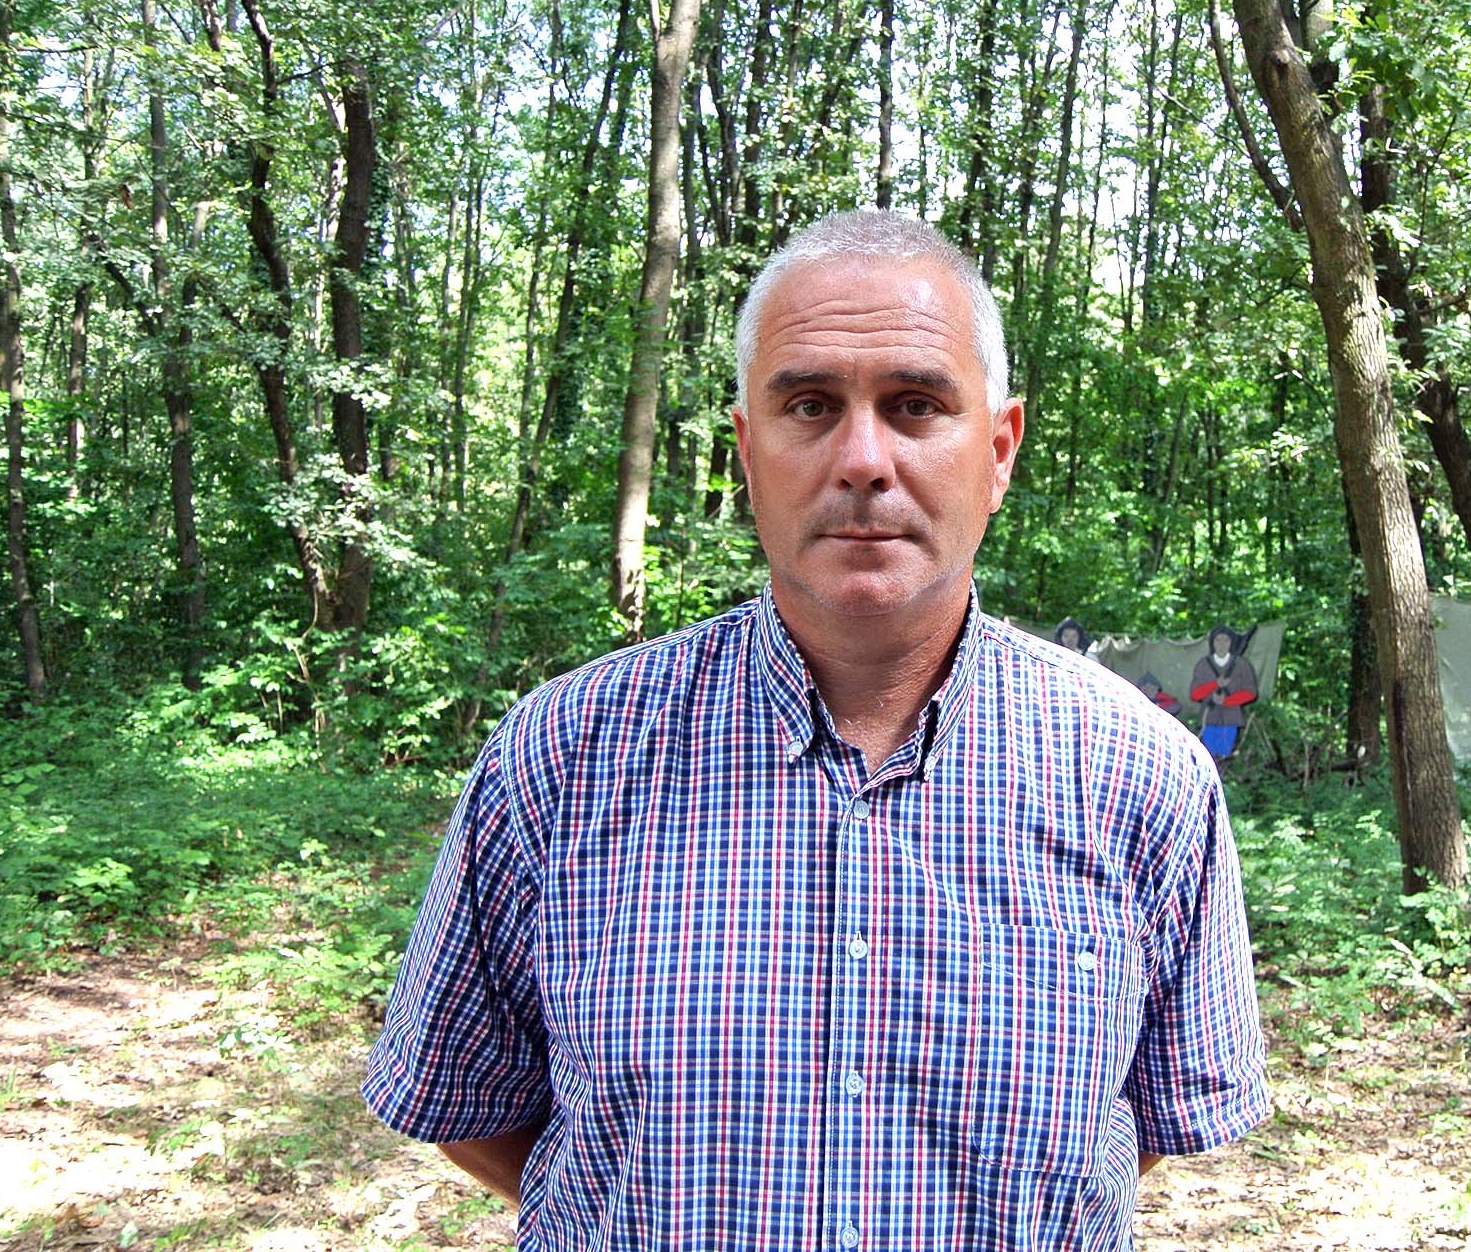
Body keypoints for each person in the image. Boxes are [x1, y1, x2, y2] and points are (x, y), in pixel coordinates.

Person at [362, 209, 1269, 1250]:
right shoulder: (563, 756)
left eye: (917, 404)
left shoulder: (1142, 774)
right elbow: (465, 1099)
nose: (864, 459)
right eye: (810, 405)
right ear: (749, 450)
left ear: (999, 451)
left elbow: (1123, 1136)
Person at [1190, 625, 1260, 760]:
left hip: (1231, 717)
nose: (1221, 644)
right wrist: (1215, 684)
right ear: (1212, 642)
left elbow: (1251, 692)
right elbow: (1195, 693)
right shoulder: (1203, 664)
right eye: (1217, 640)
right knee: (1208, 756)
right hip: (1209, 716)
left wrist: (1227, 701)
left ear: (1231, 643)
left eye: (1226, 640)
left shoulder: (1241, 664)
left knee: (1225, 756)